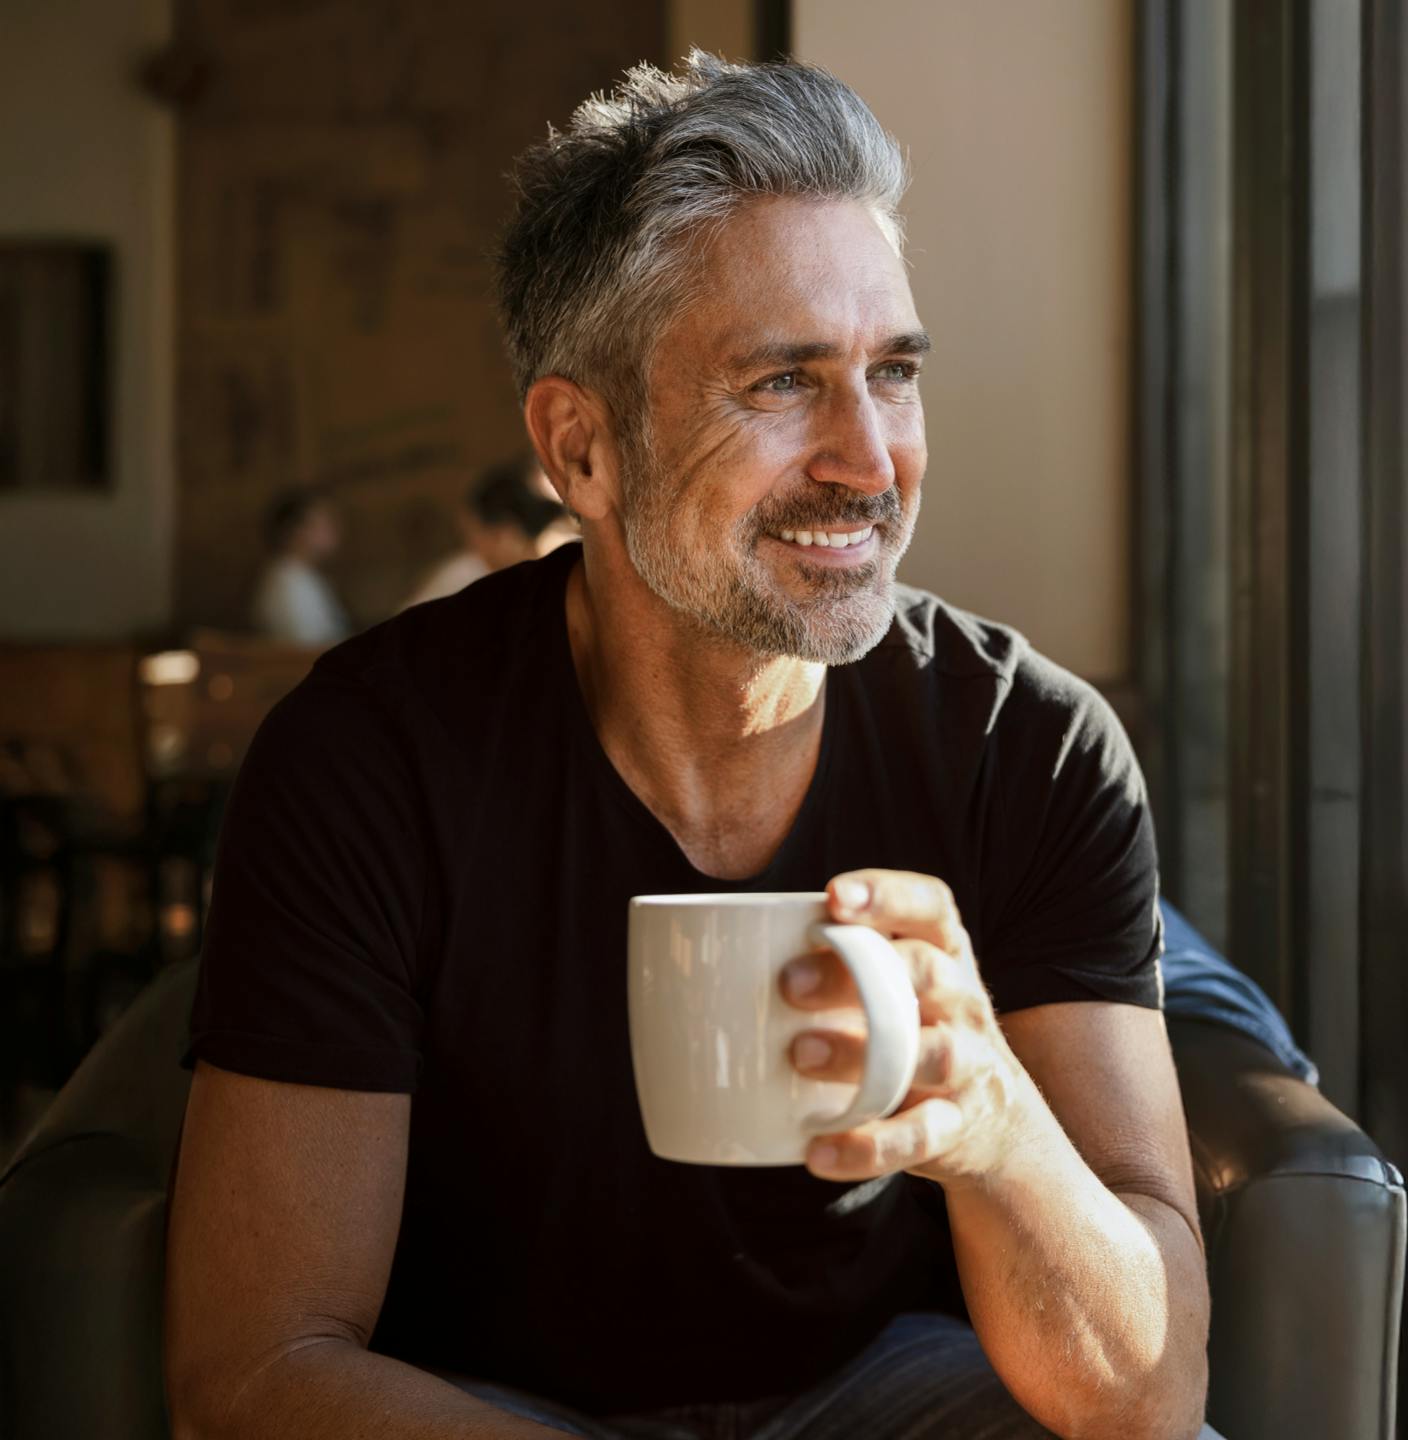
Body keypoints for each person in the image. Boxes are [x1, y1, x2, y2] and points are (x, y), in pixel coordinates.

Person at [166, 53, 1218, 1440]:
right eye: (783, 381)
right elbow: (256, 1367)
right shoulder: (366, 762)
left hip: (894, 1390)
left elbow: (1150, 1396)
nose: (870, 460)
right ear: (581, 451)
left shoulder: (1029, 747)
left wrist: (996, 1127)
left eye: (893, 373)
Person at [401, 455, 575, 609]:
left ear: (504, 535)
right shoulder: (464, 577)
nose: (474, 548)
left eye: (474, 536)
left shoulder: (467, 575)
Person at [250, 486, 349, 645]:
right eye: (322, 524)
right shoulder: (286, 584)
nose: (333, 530)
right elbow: (306, 649)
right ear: (295, 531)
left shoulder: (304, 575)